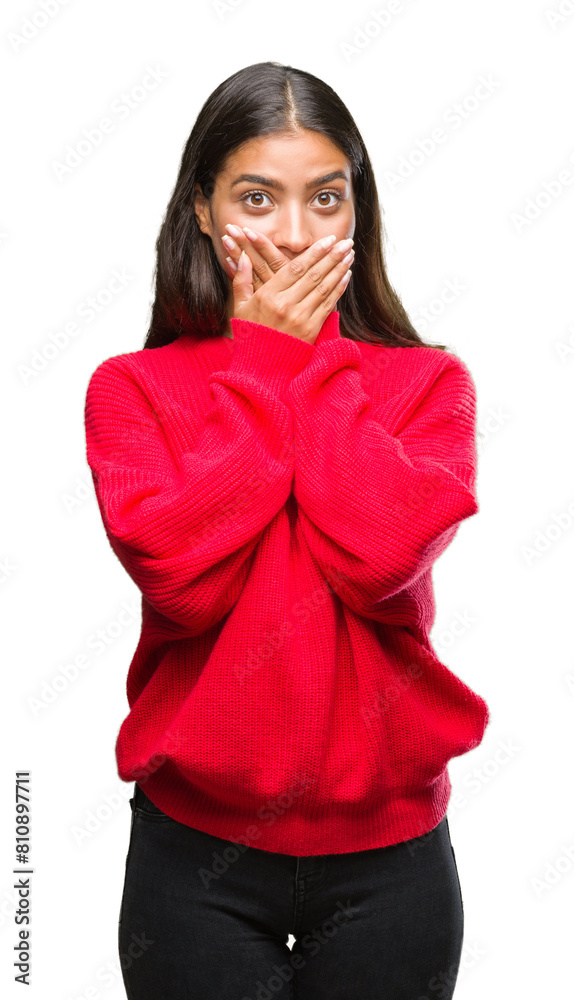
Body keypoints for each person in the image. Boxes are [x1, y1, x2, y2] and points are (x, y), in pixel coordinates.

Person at [84, 60, 490, 1000]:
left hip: (393, 864)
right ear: (201, 210)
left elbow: (378, 559)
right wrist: (265, 363)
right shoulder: (130, 389)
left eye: (326, 198)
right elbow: (181, 581)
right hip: (195, 861)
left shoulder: (430, 385)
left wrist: (313, 359)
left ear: (358, 214)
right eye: (257, 199)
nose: (297, 235)